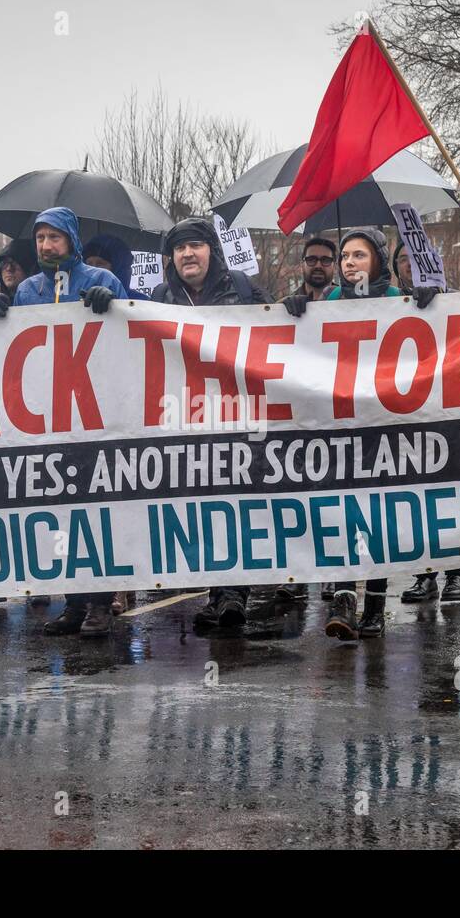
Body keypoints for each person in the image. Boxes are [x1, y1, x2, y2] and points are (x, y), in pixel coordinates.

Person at [283, 228, 414, 639]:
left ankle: (375, 603)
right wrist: (298, 308)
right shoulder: (333, 302)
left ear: (377, 259)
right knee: (342, 511)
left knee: (378, 515)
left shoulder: (397, 300)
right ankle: (343, 598)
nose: (349, 263)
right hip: (342, 425)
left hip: (384, 425)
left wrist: (429, 304)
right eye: (344, 256)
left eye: (359, 255)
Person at [144, 218, 272, 627]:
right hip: (185, 419)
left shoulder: (243, 289)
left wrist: (296, 308)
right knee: (204, 508)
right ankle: (219, 593)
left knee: (236, 504)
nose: (187, 254)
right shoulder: (161, 296)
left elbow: (279, 327)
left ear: (210, 251)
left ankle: (233, 592)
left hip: (237, 416)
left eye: (195, 246)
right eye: (179, 249)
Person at [10, 207, 128, 637]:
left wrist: (112, 306)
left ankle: (100, 602)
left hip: (95, 414)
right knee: (61, 514)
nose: (46, 246)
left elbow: (131, 331)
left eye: (54, 237)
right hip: (48, 417)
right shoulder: (27, 290)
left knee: (96, 513)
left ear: (72, 241)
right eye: (40, 238)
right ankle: (74, 603)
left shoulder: (102, 281)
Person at [386, 239, 460, 607]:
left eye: (414, 258)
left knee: (451, 501)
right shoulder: (384, 305)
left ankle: (455, 575)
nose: (408, 265)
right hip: (406, 419)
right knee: (418, 503)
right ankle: (425, 577)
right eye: (401, 260)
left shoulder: (452, 299)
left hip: (447, 414)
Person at [83, 233, 149, 300]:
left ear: (118, 268)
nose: (94, 269)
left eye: (100, 263)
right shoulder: (79, 298)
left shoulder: (142, 303)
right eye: (89, 264)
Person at [297, 237, 337, 301]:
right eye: (311, 260)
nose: (318, 265)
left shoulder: (347, 300)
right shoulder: (286, 306)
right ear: (302, 266)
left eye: (325, 260)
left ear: (335, 267)